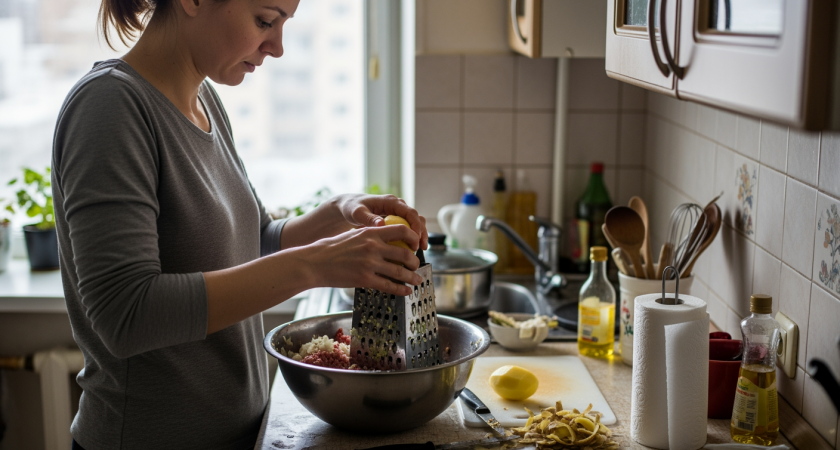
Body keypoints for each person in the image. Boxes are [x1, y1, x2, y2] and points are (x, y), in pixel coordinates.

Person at [51, 0, 428, 448]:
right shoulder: (110, 107)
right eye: (265, 21)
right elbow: (125, 314)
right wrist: (317, 266)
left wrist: (335, 213)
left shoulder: (203, 98)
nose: (278, 47)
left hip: (240, 432)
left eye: (284, 24)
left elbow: (249, 245)